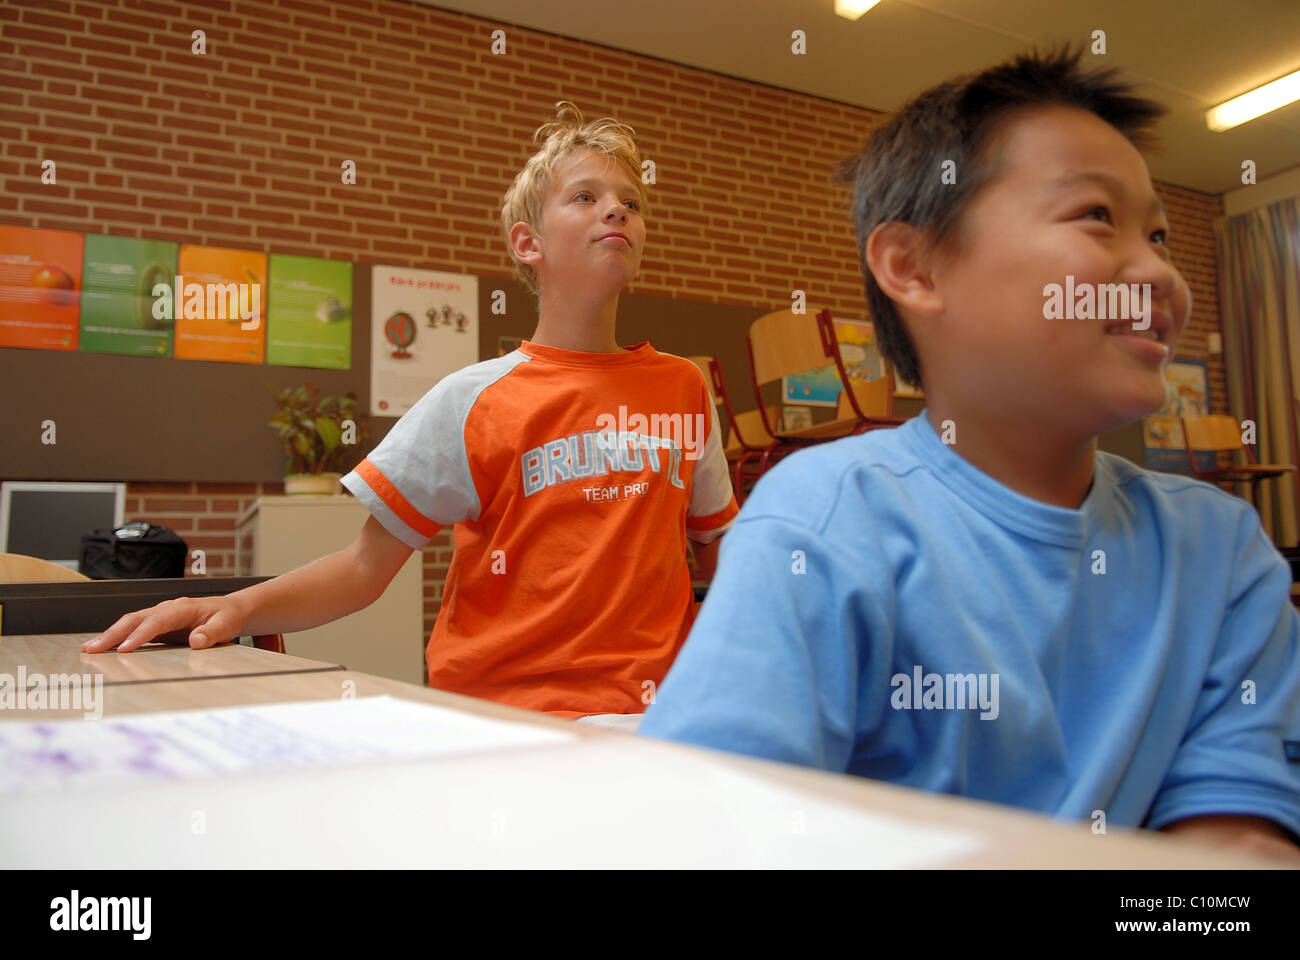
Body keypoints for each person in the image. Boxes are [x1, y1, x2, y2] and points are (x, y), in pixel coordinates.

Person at [638, 49, 1300, 859]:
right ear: (913, 268)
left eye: (1159, 233)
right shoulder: (822, 524)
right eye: (1097, 215)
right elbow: (706, 830)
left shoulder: (1222, 549)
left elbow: (1232, 832)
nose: (1158, 269)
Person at [84, 103, 738, 720]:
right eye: (586, 197)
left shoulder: (682, 388)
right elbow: (364, 568)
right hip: (505, 719)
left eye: (632, 202)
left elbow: (720, 549)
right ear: (528, 242)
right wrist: (231, 607)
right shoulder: (472, 399)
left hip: (653, 719)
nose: (617, 212)